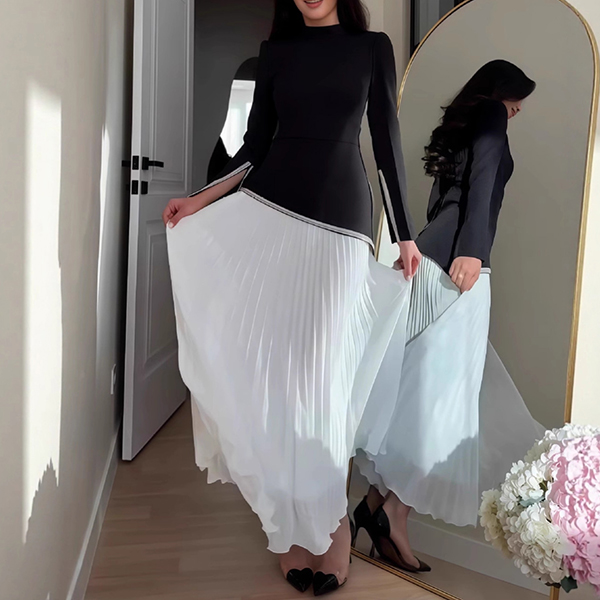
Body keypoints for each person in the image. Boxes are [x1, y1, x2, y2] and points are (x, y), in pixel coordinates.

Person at [163, 0, 421, 594]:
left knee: (323, 379)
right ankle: (288, 528)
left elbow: (386, 143)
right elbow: (253, 149)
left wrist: (405, 234)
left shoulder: (371, 48)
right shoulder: (275, 53)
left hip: (341, 224)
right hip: (270, 213)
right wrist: (199, 201)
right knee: (277, 377)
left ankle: (331, 527)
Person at [353, 60, 538, 573]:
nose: (519, 109)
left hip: (435, 257)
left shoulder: (463, 120)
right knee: (443, 404)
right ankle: (394, 515)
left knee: (420, 392)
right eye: (518, 98)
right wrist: (473, 250)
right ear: (502, 91)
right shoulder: (491, 116)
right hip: (462, 266)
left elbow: (445, 199)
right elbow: (482, 180)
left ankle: (372, 510)